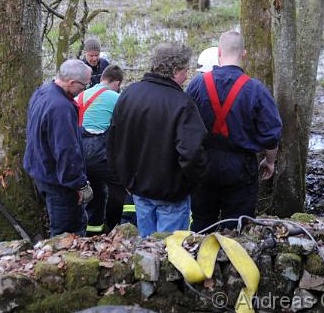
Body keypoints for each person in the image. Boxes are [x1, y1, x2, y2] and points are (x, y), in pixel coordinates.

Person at [186, 31, 282, 232]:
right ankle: (233, 261)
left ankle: (201, 261)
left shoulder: (197, 84)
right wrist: (270, 161)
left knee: (202, 223)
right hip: (240, 167)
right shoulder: (256, 89)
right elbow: (271, 134)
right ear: (244, 54)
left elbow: (183, 124)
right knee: (239, 226)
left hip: (204, 164)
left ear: (219, 52)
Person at [107, 43, 207, 237]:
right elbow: (192, 153)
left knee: (147, 247)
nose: (187, 76)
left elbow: (112, 142)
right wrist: (191, 183)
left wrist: (124, 178)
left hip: (139, 190)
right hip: (171, 194)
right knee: (171, 250)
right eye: (186, 70)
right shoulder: (182, 103)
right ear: (176, 70)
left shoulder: (129, 94)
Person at [24, 59, 94, 237]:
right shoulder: (61, 108)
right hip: (59, 182)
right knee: (68, 232)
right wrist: (79, 184)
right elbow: (66, 151)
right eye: (84, 86)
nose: (84, 90)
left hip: (41, 171)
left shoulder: (42, 92)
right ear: (71, 82)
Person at [76, 64, 126, 235]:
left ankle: (93, 230)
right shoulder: (114, 97)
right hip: (98, 152)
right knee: (120, 186)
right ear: (117, 83)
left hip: (78, 153)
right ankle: (114, 226)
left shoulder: (81, 96)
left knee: (95, 190)